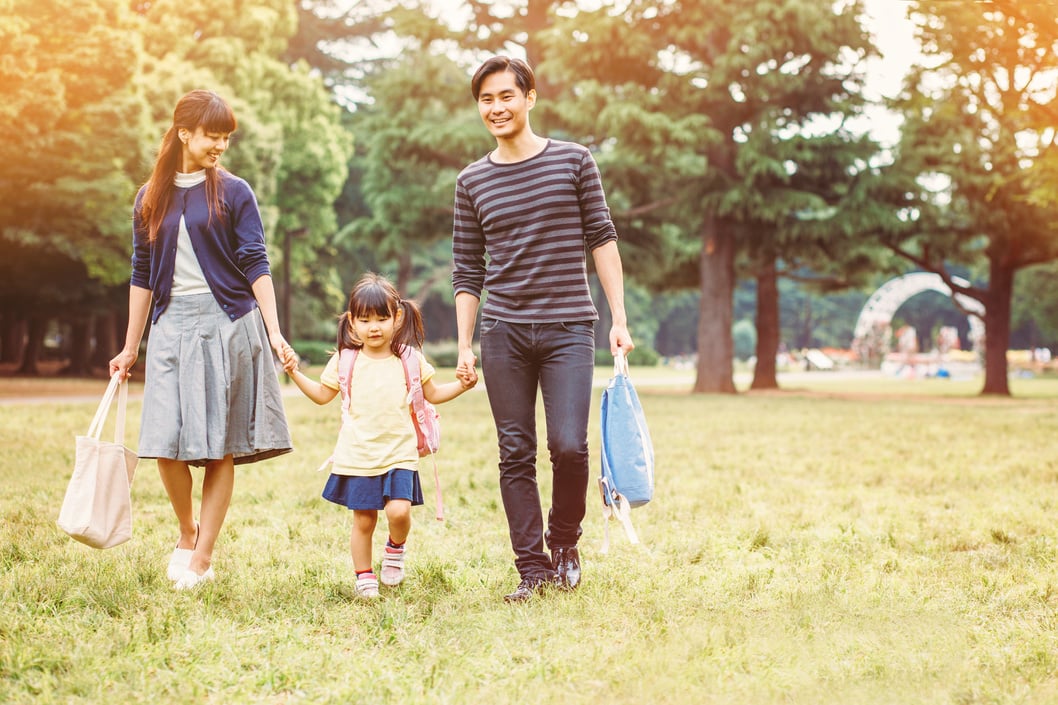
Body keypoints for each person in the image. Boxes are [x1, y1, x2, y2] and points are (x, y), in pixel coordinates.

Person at [452, 56, 635, 603]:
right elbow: (467, 268)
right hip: (503, 331)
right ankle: (531, 569)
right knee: (514, 452)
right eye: (486, 99)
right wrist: (465, 343)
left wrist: (618, 317)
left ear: (529, 97)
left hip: (568, 328)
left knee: (569, 446)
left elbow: (602, 238)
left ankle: (565, 543)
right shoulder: (471, 181)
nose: (497, 108)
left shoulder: (574, 161)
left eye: (506, 95)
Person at [109, 89, 294, 591]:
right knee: (163, 441)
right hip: (170, 327)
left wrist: (274, 331)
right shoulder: (149, 197)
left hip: (228, 323)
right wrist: (130, 347)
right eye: (213, 135)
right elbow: (141, 273)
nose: (221, 146)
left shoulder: (234, 192)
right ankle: (186, 529)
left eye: (226, 137)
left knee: (219, 446)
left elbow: (256, 261)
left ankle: (202, 555)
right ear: (184, 132)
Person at [283, 273, 478, 599]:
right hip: (358, 454)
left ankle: (395, 549)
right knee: (363, 520)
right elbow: (320, 395)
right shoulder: (345, 360)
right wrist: (293, 372)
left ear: (397, 317)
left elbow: (433, 393)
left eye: (382, 318)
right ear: (352, 322)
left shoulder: (409, 359)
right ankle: (363, 576)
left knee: (399, 511)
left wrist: (463, 385)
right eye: (365, 319)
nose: (374, 327)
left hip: (400, 452)